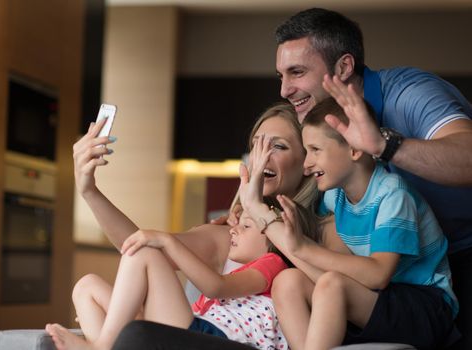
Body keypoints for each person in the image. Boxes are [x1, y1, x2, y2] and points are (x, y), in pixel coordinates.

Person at [48, 102, 340, 349]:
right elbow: (137, 246)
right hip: (191, 329)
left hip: (215, 338)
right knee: (90, 284)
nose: (261, 155)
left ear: (307, 159)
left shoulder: (324, 232)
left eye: (277, 145)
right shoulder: (230, 234)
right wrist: (89, 191)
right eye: (257, 145)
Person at [272, 8, 472, 349]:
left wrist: (383, 145)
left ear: (344, 67)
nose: (284, 90)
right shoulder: (323, 139)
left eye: (297, 72)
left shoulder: (410, 95)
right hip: (394, 275)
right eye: (281, 75)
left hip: (456, 260)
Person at [241, 96, 459, 349]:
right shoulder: (336, 195)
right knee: (288, 281)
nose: (307, 164)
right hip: (380, 299)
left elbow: (378, 274)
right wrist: (251, 210)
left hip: (425, 307)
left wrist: (303, 247)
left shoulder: (393, 196)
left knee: (333, 284)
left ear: (354, 150)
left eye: (315, 150)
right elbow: (297, 233)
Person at [46, 194, 320, 350]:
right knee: (87, 286)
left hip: (210, 338)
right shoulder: (242, 270)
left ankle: (102, 346)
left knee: (145, 252)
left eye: (246, 227)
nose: (233, 230)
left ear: (275, 236)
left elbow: (216, 287)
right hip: (197, 326)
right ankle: (103, 343)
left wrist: (167, 241)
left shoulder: (274, 262)